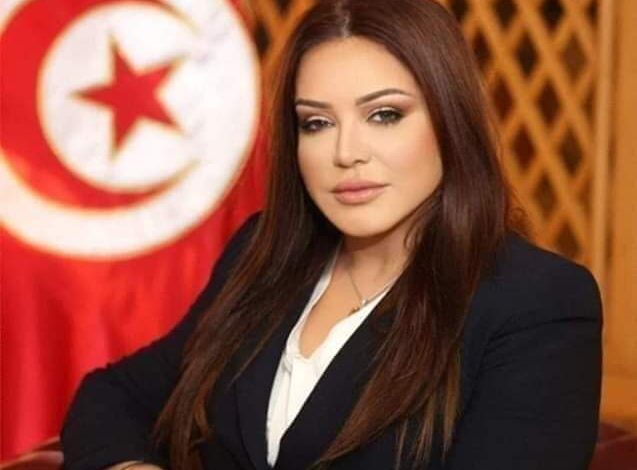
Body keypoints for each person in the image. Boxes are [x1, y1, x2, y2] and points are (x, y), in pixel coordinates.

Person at [60, 0, 603, 469]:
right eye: (316, 123)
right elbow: (112, 396)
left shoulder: (538, 302)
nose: (346, 153)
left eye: (384, 115)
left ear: (449, 119)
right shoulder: (264, 254)